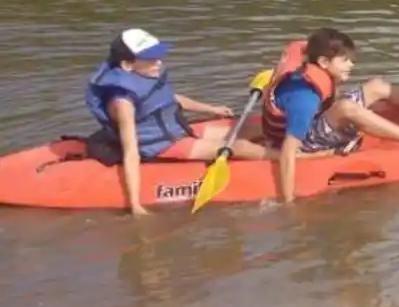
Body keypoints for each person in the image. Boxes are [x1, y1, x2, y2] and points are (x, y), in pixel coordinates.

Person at [84, 28, 265, 215]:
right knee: (240, 146)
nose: (159, 62)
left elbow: (169, 98)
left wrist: (211, 109)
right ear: (127, 65)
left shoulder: (143, 76)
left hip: (175, 129)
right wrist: (135, 204)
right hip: (162, 145)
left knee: (252, 127)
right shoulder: (122, 103)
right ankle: (286, 158)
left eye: (157, 57)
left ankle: (279, 146)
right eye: (151, 59)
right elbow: (131, 150)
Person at [260, 27, 399, 204]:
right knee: (346, 108)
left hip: (315, 119)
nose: (351, 65)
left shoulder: (314, 68)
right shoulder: (305, 97)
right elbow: (289, 150)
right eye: (345, 60)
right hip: (305, 144)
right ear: (323, 62)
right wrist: (288, 201)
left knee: (376, 86)